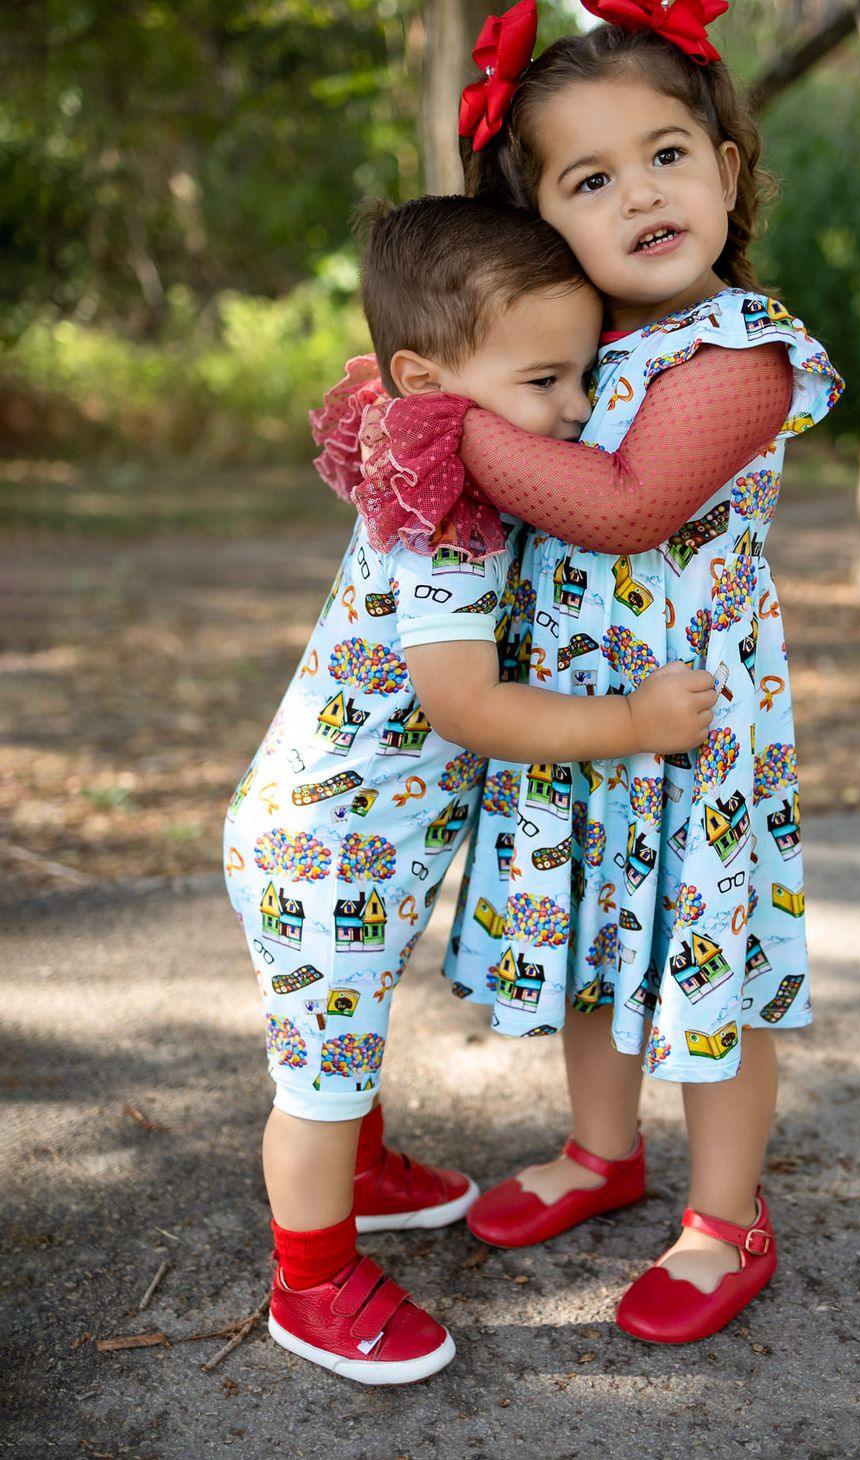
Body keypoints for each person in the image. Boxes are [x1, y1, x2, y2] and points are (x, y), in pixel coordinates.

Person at [372, 0, 845, 1344]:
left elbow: (629, 508)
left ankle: (723, 1216)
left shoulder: (743, 353)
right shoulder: (559, 349)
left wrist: (443, 423)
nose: (639, 193)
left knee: (707, 963)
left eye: (665, 154)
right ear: (537, 223)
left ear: (728, 167)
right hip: (582, 716)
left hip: (689, 724)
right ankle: (597, 1150)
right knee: (593, 942)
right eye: (588, 181)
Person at [222, 193, 719, 1385]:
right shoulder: (444, 529)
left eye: (584, 374)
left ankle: (367, 1173)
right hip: (326, 850)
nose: (575, 407)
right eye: (543, 381)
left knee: (348, 1034)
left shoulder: (437, 474)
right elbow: (467, 707)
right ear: (421, 374)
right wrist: (632, 725)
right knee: (319, 1075)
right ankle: (314, 1281)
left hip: (360, 842)